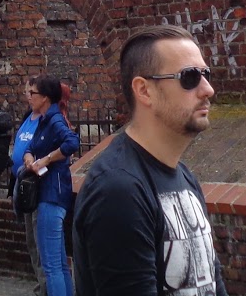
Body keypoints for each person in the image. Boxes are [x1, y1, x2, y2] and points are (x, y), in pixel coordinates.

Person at [72, 26, 220, 296]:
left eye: (206, 74)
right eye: (189, 77)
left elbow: (213, 283)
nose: (207, 89)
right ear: (144, 91)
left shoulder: (184, 177)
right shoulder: (118, 190)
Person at [20, 78, 79, 296]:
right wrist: (29, 158)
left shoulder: (55, 120)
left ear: (45, 97)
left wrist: (46, 159)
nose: (29, 97)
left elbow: (72, 143)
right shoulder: (44, 120)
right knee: (59, 263)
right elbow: (31, 146)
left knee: (51, 265)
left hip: (51, 195)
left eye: (33, 93)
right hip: (48, 194)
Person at [8, 81, 45, 296]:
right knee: (31, 240)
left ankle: (45, 287)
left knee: (39, 241)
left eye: (32, 92)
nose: (28, 96)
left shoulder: (46, 120)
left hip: (36, 185)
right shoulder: (27, 117)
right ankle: (40, 283)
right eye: (26, 92)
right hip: (22, 184)